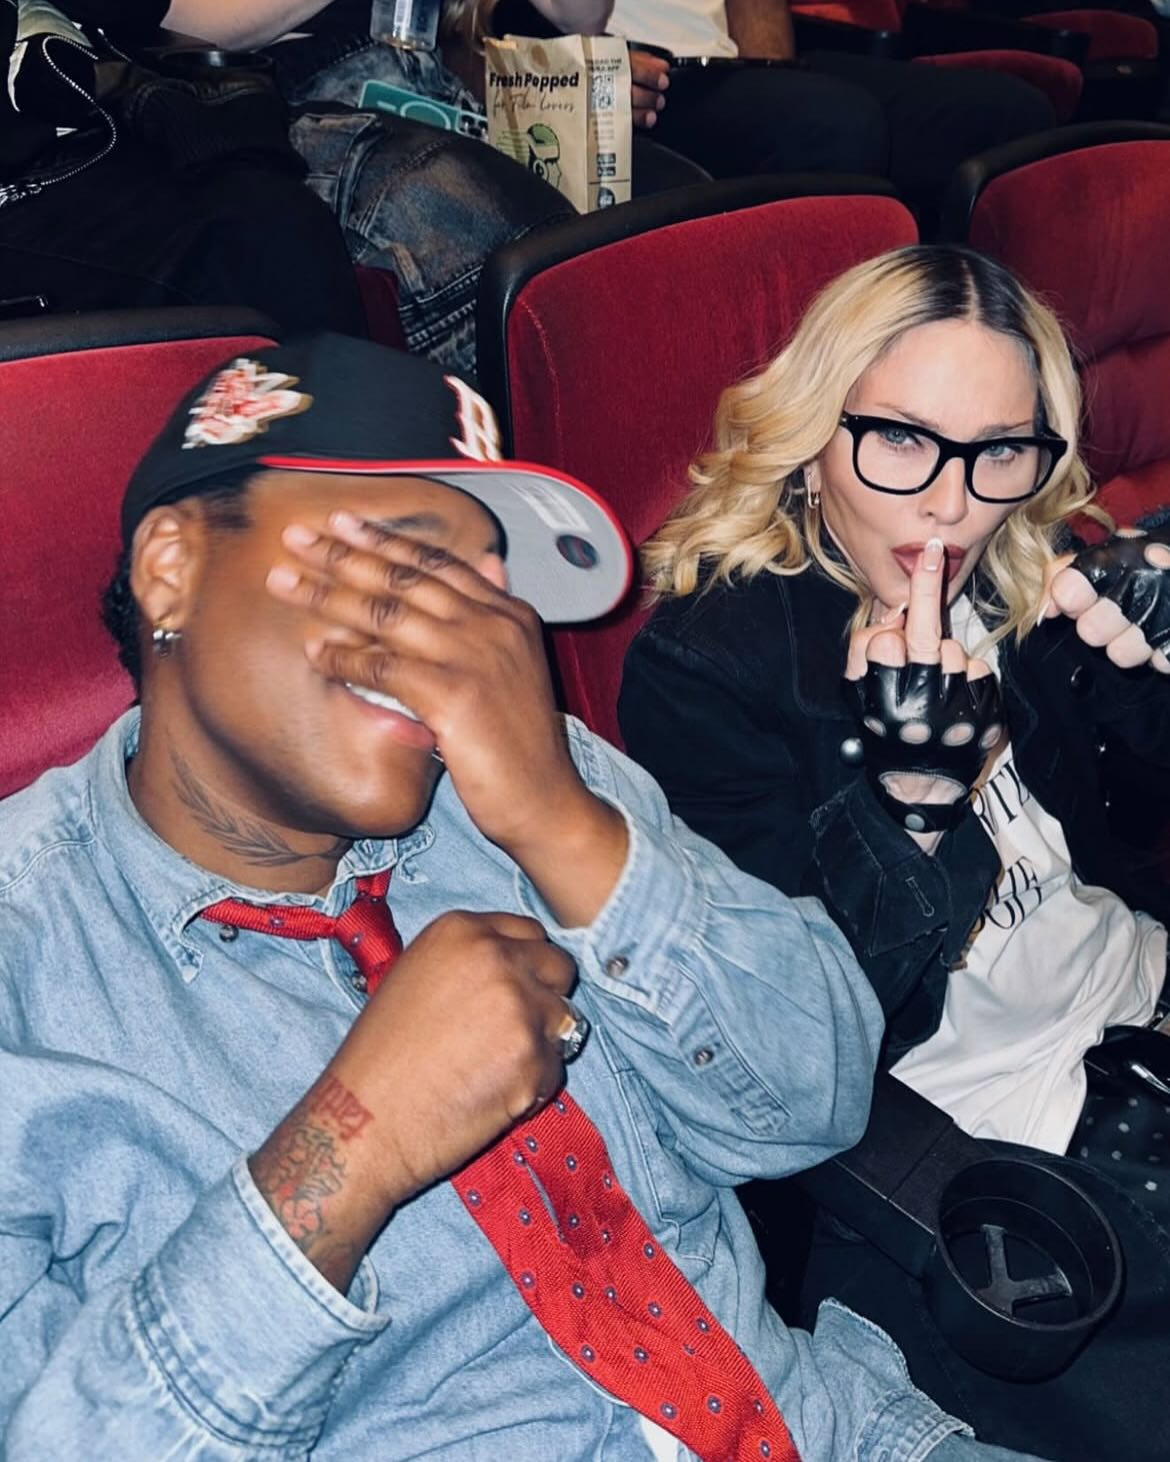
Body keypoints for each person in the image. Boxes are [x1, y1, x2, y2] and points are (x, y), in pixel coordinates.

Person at [0, 331, 1050, 1461]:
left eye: (491, 599)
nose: (469, 647)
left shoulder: (538, 769)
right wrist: (349, 1151)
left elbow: (815, 1105)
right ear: (172, 566)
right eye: (405, 564)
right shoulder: (29, 966)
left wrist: (562, 826)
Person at [619, 244, 1170, 1460]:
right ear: (815, 433)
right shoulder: (711, 664)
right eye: (904, 442)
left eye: (999, 452)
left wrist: (1156, 672)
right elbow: (782, 1056)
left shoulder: (1021, 572)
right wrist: (911, 802)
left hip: (1142, 1004)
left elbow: (1130, 823)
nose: (952, 505)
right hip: (1004, 1150)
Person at [0, 1, 597, 369]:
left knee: (575, 245)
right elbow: (193, 23)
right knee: (460, 219)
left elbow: (578, 19)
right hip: (284, 88)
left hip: (451, 90)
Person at [610, 1, 1056, 226]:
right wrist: (590, 69)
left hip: (729, 64)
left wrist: (774, 74)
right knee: (839, 127)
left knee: (1011, 113)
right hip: (639, 81)